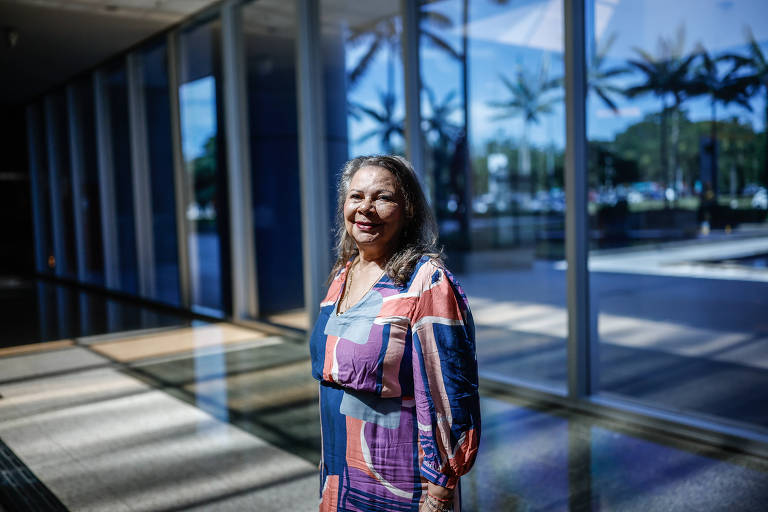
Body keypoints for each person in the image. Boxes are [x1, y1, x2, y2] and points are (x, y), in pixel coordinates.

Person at [310, 155, 481, 512]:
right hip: (340, 474)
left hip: (401, 486)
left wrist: (439, 492)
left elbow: (450, 396)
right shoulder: (343, 275)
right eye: (356, 196)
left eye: (383, 197)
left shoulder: (426, 282)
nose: (366, 208)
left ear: (409, 210)